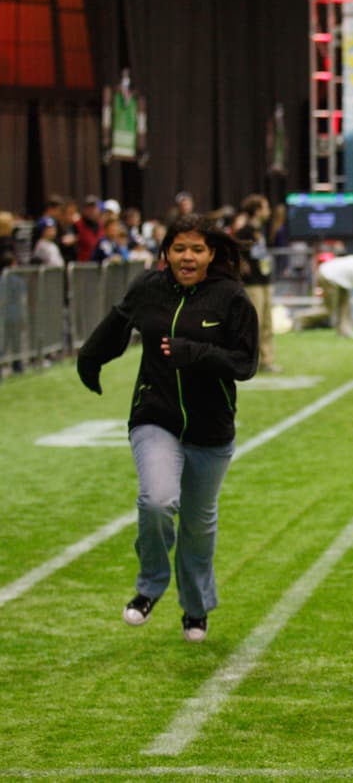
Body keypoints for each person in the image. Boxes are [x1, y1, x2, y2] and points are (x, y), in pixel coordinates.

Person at [76, 213, 259, 643]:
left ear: (211, 254)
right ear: (165, 253)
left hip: (211, 428)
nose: (187, 257)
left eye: (197, 249)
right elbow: (117, 325)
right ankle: (150, 586)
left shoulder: (231, 298)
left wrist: (193, 353)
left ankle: (195, 609)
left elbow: (244, 363)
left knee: (198, 525)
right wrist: (90, 360)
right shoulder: (148, 288)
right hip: (154, 416)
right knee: (157, 501)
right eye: (179, 249)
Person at [235, 194, 279, 372]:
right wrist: (240, 263)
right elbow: (233, 251)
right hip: (252, 283)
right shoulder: (243, 232)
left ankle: (267, 360)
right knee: (256, 323)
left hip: (264, 280)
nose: (268, 211)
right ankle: (250, 360)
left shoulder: (261, 230)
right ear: (257, 210)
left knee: (267, 323)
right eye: (265, 207)